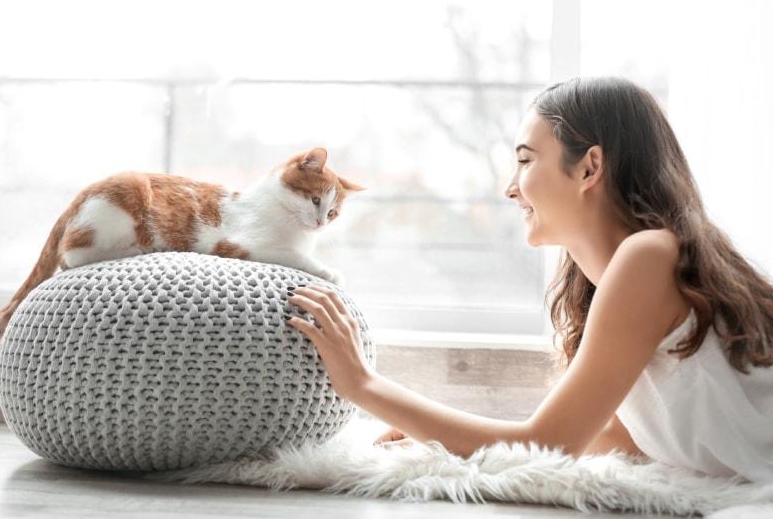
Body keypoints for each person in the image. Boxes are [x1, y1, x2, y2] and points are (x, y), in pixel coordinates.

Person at [285, 77, 773, 483]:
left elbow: (547, 443)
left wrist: (362, 384)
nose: (509, 187)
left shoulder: (648, 256)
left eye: (524, 159)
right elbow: (618, 440)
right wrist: (445, 438)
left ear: (590, 167)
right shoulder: (636, 270)